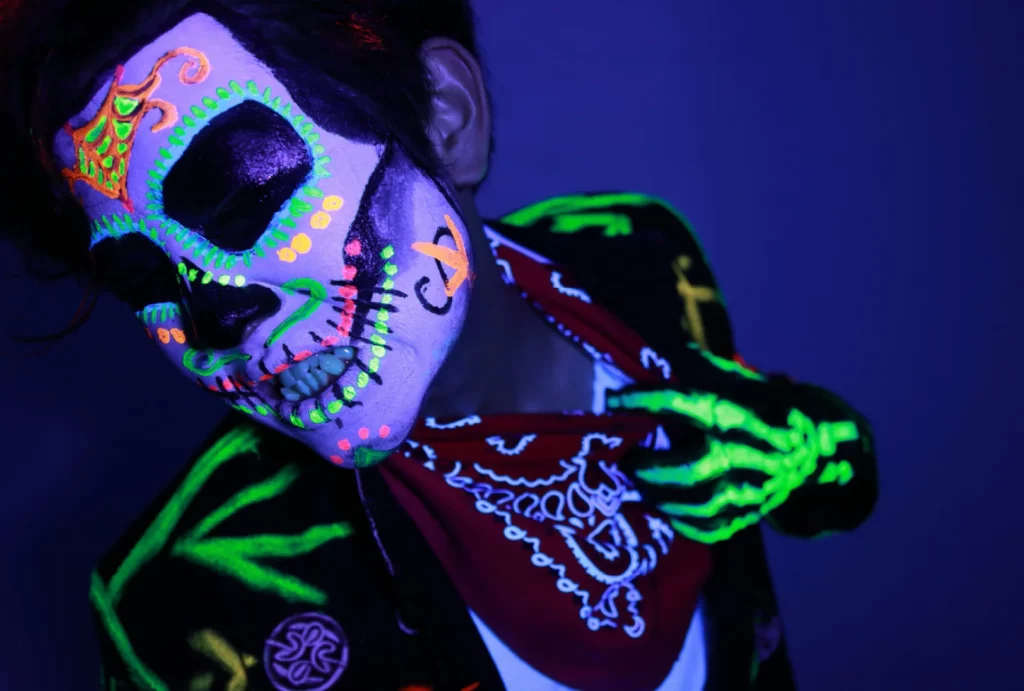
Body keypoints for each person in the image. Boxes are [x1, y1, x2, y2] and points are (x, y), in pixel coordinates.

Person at [0, 1, 878, 689]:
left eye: (241, 197)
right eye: (144, 282)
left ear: (445, 115)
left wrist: (813, 446)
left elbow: (834, 487)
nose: (210, 316)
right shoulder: (180, 600)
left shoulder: (641, 255)